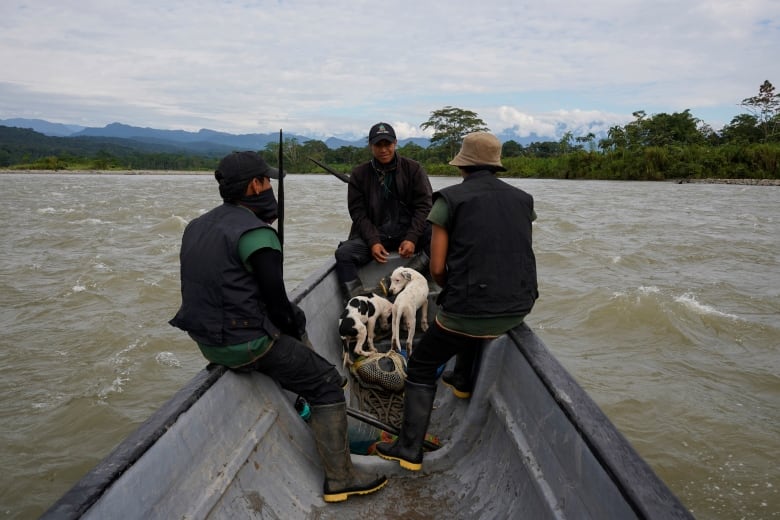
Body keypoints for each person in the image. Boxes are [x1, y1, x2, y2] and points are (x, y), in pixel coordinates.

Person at [169, 151, 387, 503]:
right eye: (267, 180)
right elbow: (279, 309)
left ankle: (307, 395)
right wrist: (295, 330)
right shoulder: (257, 235)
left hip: (209, 344)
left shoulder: (197, 226)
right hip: (247, 345)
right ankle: (341, 478)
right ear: (255, 185)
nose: (270, 185)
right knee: (326, 381)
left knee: (295, 326)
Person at [375, 132, 539, 471]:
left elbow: (436, 269)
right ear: (495, 166)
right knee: (471, 316)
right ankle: (463, 381)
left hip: (471, 311)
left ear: (462, 166)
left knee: (422, 362)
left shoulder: (449, 200)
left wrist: (456, 289)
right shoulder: (523, 199)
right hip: (518, 307)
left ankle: (408, 449)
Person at [335, 122, 433, 299]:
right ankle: (360, 300)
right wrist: (373, 241)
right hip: (376, 235)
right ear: (371, 146)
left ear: (395, 143)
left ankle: (405, 276)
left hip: (407, 233)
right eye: (378, 145)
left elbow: (424, 206)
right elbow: (358, 213)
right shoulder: (359, 174)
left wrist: (411, 237)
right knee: (344, 254)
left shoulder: (414, 169)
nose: (383, 150)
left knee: (439, 236)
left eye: (387, 144)